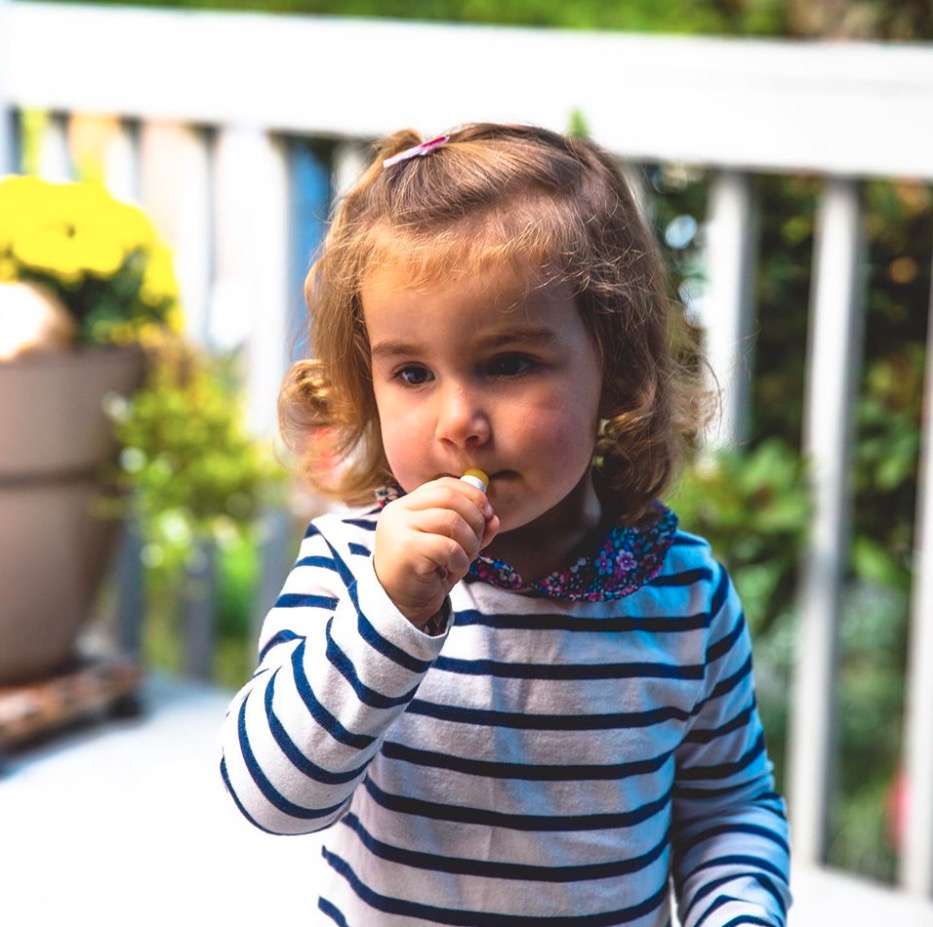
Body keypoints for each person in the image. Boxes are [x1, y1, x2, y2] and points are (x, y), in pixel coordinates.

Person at [218, 122, 793, 927]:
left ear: (614, 366)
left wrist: (737, 912)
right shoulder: (354, 567)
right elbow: (270, 795)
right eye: (411, 372)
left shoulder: (684, 597)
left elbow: (728, 811)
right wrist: (388, 611)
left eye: (509, 363)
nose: (459, 421)